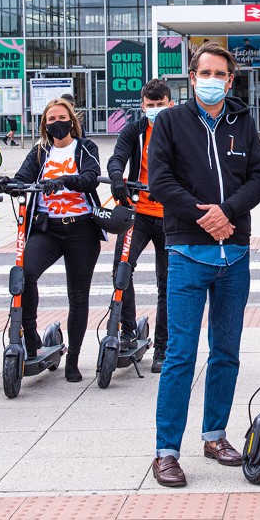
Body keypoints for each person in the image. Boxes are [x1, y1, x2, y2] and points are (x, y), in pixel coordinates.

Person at [147, 43, 260, 488]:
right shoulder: (171, 123)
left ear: (230, 79)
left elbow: (259, 177)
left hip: (233, 254)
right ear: (192, 76)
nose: (213, 79)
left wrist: (228, 213)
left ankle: (215, 435)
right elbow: (159, 180)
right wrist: (205, 214)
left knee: (226, 352)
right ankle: (167, 451)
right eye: (206, 72)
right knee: (180, 354)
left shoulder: (242, 122)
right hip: (186, 253)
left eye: (221, 73)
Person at [0, 98, 105, 383]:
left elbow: (91, 178)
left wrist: (65, 180)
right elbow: (22, 180)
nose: (57, 123)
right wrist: (5, 183)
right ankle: (31, 338)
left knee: (77, 296)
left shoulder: (85, 148)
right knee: (24, 274)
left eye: (61, 117)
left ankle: (74, 359)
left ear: (72, 120)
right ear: (44, 124)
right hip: (47, 230)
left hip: (81, 229)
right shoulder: (41, 151)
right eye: (50, 119)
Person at [106, 79, 174, 375]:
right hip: (139, 213)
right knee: (121, 268)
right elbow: (117, 157)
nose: (156, 110)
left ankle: (163, 346)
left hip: (172, 215)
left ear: (171, 104)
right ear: (142, 106)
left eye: (161, 105)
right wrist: (118, 177)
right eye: (150, 106)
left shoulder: (180, 130)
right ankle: (128, 329)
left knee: (168, 282)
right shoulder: (134, 130)